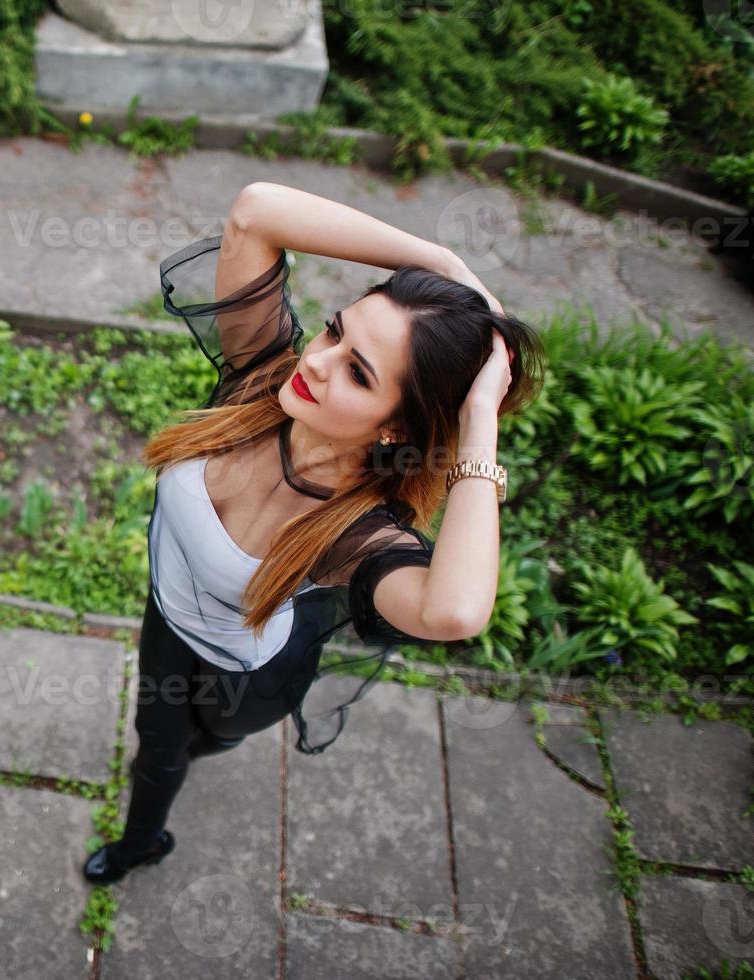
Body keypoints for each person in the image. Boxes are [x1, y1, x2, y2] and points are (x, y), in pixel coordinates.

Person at [83, 181, 544, 885]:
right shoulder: (257, 379)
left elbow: (451, 610)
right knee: (157, 747)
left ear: (396, 426)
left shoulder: (356, 532)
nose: (316, 362)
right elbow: (255, 209)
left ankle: (169, 786)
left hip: (246, 678)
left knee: (199, 743)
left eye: (356, 373)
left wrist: (479, 416)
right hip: (169, 620)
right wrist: (439, 259)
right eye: (334, 330)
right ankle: (143, 838)